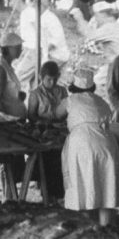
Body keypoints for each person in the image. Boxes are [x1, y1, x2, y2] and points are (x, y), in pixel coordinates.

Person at [59, 69, 119, 226]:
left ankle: (84, 229)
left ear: (73, 87)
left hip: (82, 143)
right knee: (106, 186)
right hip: (106, 143)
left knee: (82, 184)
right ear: (92, 87)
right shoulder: (101, 101)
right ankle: (105, 228)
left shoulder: (70, 100)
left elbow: (55, 114)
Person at [28, 61, 68, 201]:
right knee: (48, 162)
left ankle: (61, 196)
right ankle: (48, 196)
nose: (52, 82)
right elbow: (31, 115)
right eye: (49, 79)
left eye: (55, 79)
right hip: (45, 132)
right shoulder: (35, 94)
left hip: (61, 133)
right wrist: (43, 122)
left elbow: (67, 111)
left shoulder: (62, 91)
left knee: (63, 162)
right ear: (41, 77)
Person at [0, 32, 27, 118]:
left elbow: (7, 94)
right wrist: (5, 119)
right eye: (17, 47)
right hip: (7, 122)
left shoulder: (8, 67)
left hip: (14, 119)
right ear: (8, 49)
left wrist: (17, 96)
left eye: (20, 47)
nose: (20, 50)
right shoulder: (0, 69)